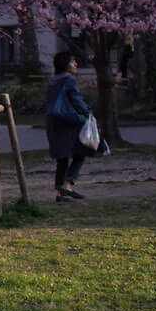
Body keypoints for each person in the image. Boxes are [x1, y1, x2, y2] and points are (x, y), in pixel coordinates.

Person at [44, 51, 91, 202]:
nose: (76, 64)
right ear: (65, 64)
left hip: (53, 120)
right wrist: (88, 113)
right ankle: (68, 184)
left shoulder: (53, 80)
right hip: (68, 120)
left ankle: (60, 192)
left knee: (62, 157)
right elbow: (76, 99)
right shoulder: (69, 79)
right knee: (80, 152)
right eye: (73, 61)